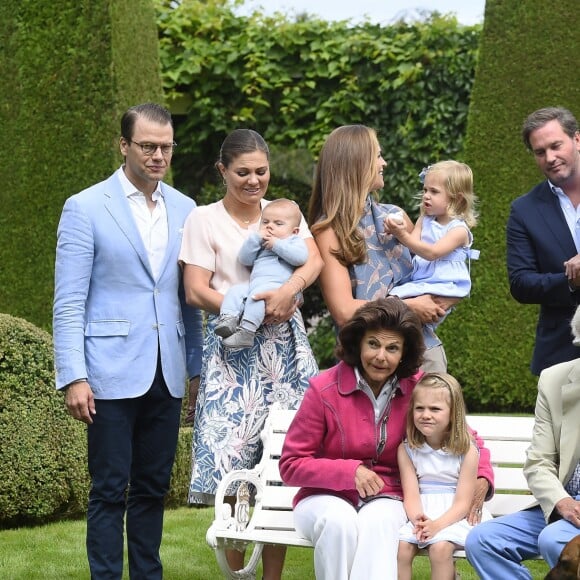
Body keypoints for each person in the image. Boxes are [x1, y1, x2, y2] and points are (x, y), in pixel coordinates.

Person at [52, 103, 203, 579]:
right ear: (124, 146)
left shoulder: (186, 209)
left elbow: (187, 300)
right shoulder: (85, 206)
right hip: (108, 372)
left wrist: (194, 367)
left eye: (166, 147)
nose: (159, 156)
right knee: (109, 488)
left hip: (167, 369)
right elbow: (68, 301)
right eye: (148, 146)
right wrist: (74, 374)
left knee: (154, 488)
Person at [179, 128, 322, 580]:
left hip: (284, 351)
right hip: (232, 348)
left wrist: (289, 292)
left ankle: (273, 577)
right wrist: (249, 306)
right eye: (242, 172)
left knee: (280, 462)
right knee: (232, 465)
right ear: (223, 171)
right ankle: (235, 574)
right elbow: (195, 290)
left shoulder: (283, 213)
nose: (253, 180)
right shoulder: (203, 219)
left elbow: (313, 260)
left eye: (261, 171)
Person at [279, 297, 494, 580]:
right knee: (338, 523)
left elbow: (467, 438)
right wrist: (349, 471)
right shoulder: (323, 389)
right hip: (324, 496)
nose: (381, 357)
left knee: (378, 522)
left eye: (392, 348)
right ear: (358, 343)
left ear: (404, 353)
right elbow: (291, 464)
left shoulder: (418, 389)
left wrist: (482, 478)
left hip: (389, 494)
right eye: (373, 344)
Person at [308, 124, 459, 374]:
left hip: (423, 353)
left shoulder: (396, 216)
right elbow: (344, 311)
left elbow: (434, 273)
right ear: (357, 163)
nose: (384, 162)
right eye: (377, 155)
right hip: (369, 363)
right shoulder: (329, 231)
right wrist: (409, 307)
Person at [465, 304, 580, 578]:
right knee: (482, 541)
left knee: (554, 538)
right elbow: (538, 461)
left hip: (559, 529)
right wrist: (561, 501)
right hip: (562, 504)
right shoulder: (555, 379)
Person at [507, 106, 580, 375]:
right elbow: (521, 283)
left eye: (556, 145)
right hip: (561, 356)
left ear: (577, 140)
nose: (550, 157)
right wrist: (570, 281)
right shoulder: (524, 210)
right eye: (540, 152)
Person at [397, 372, 484, 580]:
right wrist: (419, 521)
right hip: (421, 513)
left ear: (453, 413)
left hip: (454, 515)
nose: (426, 415)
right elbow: (411, 495)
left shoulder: (467, 451)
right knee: (403, 548)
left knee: (440, 549)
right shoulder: (407, 450)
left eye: (435, 409)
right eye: (420, 408)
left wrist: (436, 525)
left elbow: (463, 503)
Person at [386, 160, 479, 334]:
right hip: (423, 281)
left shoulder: (459, 230)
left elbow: (432, 253)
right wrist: (395, 230)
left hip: (445, 283)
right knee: (399, 309)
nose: (426, 195)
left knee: (399, 307)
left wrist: (402, 234)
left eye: (434, 191)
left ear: (456, 198)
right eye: (425, 190)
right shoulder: (424, 220)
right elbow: (412, 247)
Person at [215, 198, 308, 348]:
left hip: (278, 288)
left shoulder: (293, 241)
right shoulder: (261, 243)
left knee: (256, 297)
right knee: (235, 291)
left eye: (278, 224)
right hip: (255, 284)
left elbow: (300, 258)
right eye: (265, 222)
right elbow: (245, 259)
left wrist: (276, 245)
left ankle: (247, 331)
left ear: (294, 231)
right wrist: (255, 239)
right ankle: (228, 319)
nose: (270, 226)